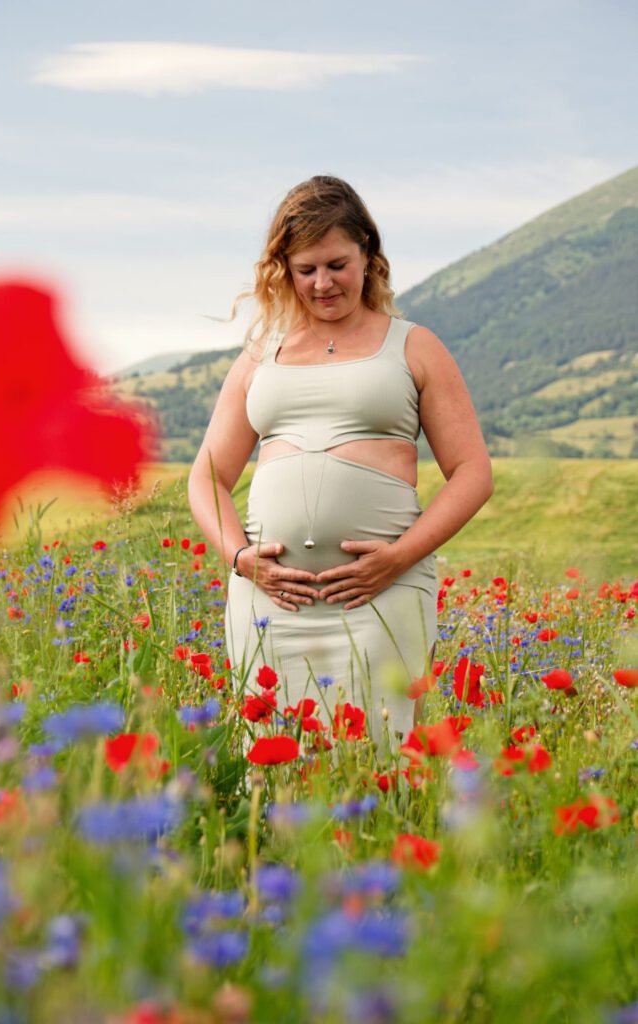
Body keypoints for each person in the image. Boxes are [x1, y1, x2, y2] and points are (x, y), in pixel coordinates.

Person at [188, 175, 493, 747]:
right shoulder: (261, 356)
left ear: (368, 255)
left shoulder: (413, 346)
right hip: (270, 603)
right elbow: (207, 478)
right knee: (278, 771)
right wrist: (239, 558)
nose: (323, 283)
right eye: (306, 270)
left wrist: (397, 558)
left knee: (383, 764)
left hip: (382, 595)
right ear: (285, 270)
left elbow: (474, 474)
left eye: (337, 264)